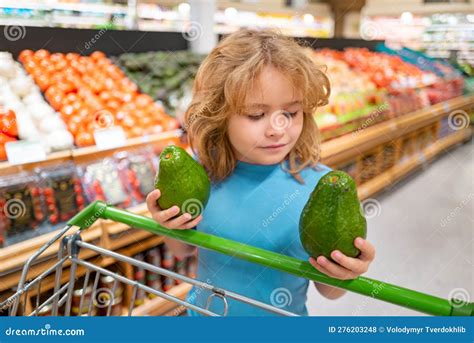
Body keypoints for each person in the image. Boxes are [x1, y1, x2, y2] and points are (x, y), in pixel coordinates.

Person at [146, 29, 375, 316]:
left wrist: (346, 271)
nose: (278, 128)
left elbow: (329, 292)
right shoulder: (199, 172)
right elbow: (182, 251)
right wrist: (168, 225)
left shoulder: (322, 187)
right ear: (219, 115)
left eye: (291, 113)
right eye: (256, 115)